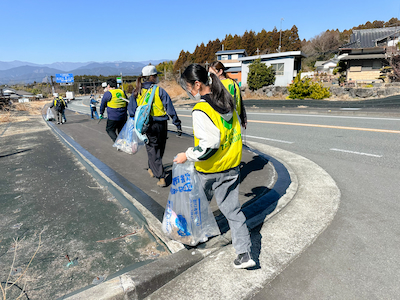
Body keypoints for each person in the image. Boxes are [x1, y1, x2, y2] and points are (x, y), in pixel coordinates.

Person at [173, 63, 255, 269]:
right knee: (233, 212)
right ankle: (245, 254)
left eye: (188, 86)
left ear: (198, 84)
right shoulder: (227, 102)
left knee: (197, 206)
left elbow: (209, 145)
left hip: (209, 170)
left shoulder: (202, 109)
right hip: (231, 167)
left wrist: (187, 155)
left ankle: (194, 238)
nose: (188, 91)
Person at [128, 64, 182, 187]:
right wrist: (177, 123)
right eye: (156, 76)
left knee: (152, 150)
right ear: (152, 77)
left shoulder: (137, 91)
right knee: (159, 149)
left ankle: (160, 176)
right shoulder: (159, 91)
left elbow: (131, 111)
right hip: (162, 124)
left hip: (147, 125)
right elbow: (170, 108)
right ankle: (155, 170)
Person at [209, 61, 247, 129]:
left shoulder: (216, 85)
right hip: (236, 120)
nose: (210, 76)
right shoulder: (234, 83)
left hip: (222, 122)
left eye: (212, 73)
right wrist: (244, 119)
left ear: (220, 71)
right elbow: (240, 102)